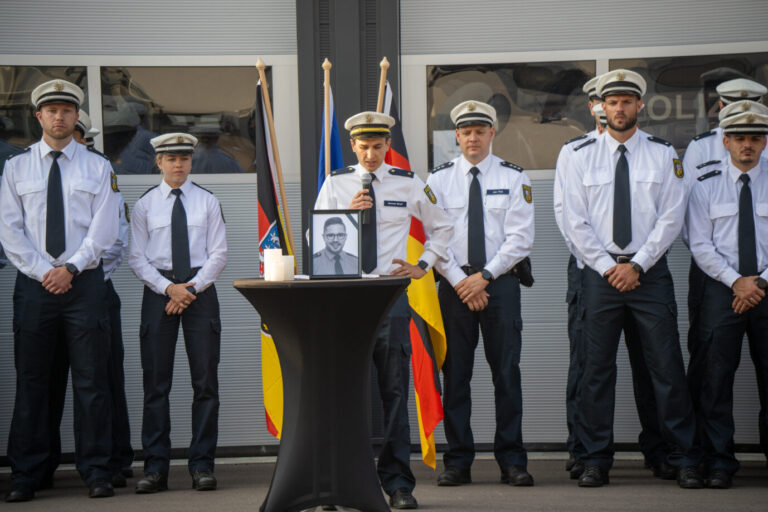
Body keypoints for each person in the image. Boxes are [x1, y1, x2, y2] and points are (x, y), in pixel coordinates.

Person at [562, 69, 703, 488]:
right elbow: (574, 220)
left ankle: (683, 457)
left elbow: (671, 216)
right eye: (612, 102)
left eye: (627, 101)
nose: (619, 108)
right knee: (595, 372)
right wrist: (609, 267)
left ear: (639, 105)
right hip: (599, 273)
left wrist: (636, 265)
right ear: (600, 107)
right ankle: (594, 459)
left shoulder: (662, 153)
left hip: (649, 274)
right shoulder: (576, 153)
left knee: (666, 369)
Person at [314, 111, 453, 509]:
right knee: (343, 393)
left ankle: (397, 484)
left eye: (378, 146)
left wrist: (423, 265)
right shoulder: (337, 183)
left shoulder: (408, 183)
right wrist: (348, 217)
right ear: (353, 146)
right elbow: (314, 235)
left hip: (390, 297)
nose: (371, 154)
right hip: (348, 296)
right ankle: (339, 482)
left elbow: (442, 226)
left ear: (387, 146)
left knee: (394, 391)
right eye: (364, 146)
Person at [0, 79, 120, 501]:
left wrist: (70, 267)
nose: (59, 116)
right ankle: (29, 473)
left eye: (66, 110)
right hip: (35, 287)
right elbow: (9, 230)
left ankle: (96, 471)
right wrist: (44, 271)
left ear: (75, 116)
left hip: (84, 284)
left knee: (91, 382)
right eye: (51, 110)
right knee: (33, 382)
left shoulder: (97, 166)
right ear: (38, 117)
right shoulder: (16, 168)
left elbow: (105, 228)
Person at [426, 100, 535, 487]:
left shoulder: (514, 177)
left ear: (492, 133)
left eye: (480, 131)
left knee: (506, 375)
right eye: (466, 131)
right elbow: (434, 240)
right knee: (455, 376)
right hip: (455, 288)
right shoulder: (437, 180)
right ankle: (458, 462)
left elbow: (520, 239)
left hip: (499, 285)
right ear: (456, 136)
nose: (473, 138)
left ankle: (512, 461)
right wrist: (461, 281)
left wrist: (485, 276)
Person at [129, 132, 227, 493]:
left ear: (191, 161)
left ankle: (202, 466)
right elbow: (136, 257)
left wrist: (189, 290)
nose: (178, 165)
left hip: (199, 291)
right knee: (156, 385)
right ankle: (156, 469)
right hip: (160, 292)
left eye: (184, 158)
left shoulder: (207, 201)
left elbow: (218, 254)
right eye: (171, 159)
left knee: (205, 385)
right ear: (159, 162)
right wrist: (168, 288)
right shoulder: (145, 205)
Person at [43, 109, 135, 490]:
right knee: (47, 380)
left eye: (83, 138)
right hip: (52, 288)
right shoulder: (45, 175)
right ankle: (43, 463)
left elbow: (115, 238)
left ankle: (114, 459)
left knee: (104, 379)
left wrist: (84, 275)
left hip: (96, 288)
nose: (79, 144)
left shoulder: (100, 175)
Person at [681, 78, 768, 467]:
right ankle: (717, 460)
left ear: (764, 141)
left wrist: (759, 281)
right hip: (721, 287)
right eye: (738, 137)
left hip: (766, 286)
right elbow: (698, 242)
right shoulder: (705, 184)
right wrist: (736, 281)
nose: (747, 143)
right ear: (725, 140)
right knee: (715, 378)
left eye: (755, 137)